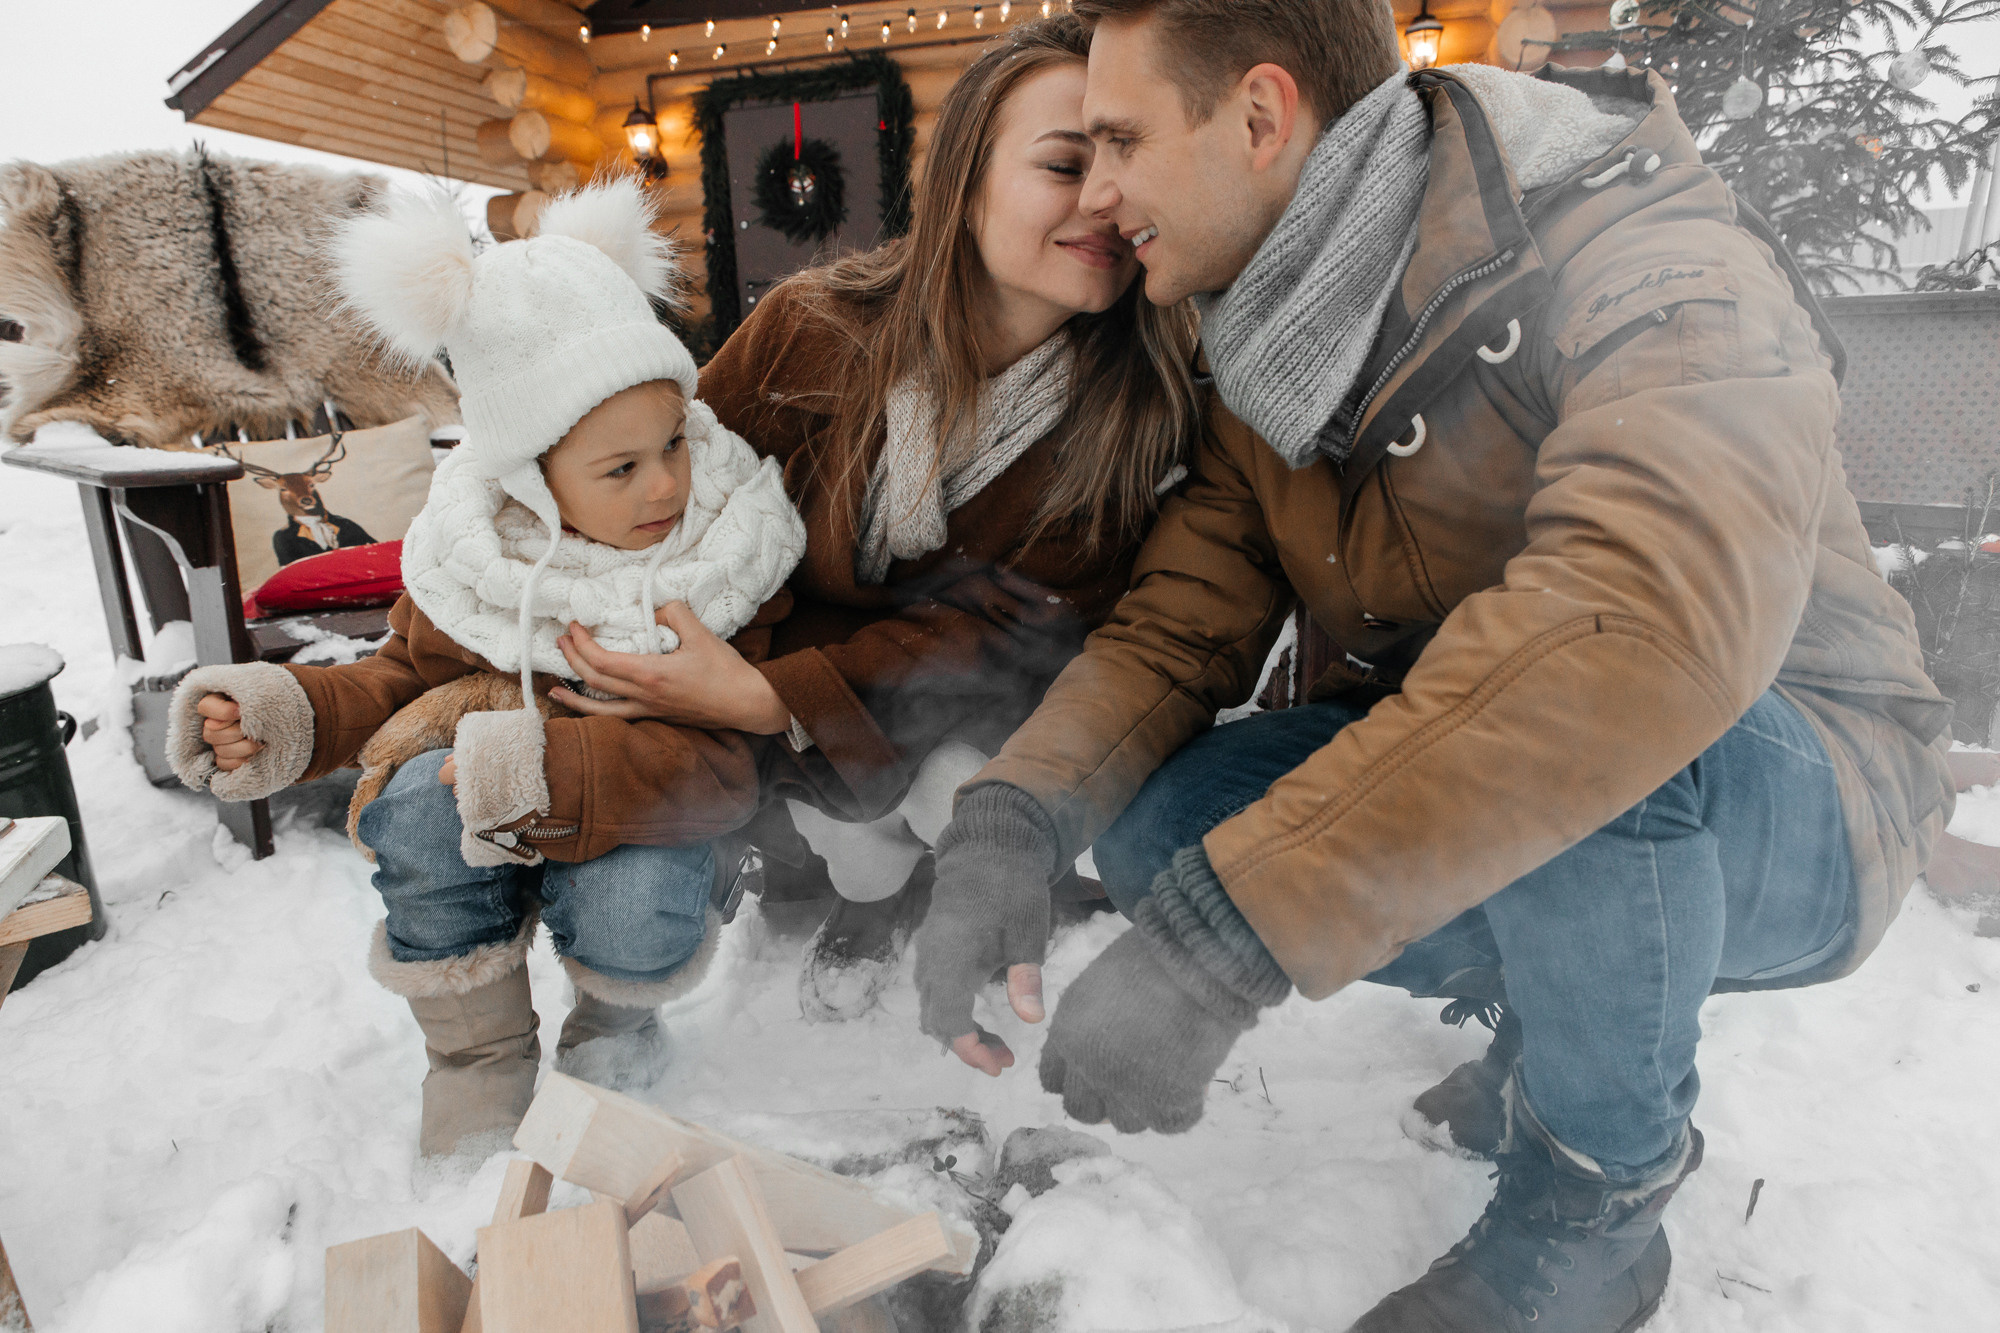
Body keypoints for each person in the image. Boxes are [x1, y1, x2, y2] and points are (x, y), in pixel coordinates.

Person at [912, 3, 1954, 1330]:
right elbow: (1180, 626)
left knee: (1582, 714)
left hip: (1810, 794)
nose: (1102, 195)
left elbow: (1637, 627)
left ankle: (1598, 1199)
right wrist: (1011, 820)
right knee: (1173, 811)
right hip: (1550, 756)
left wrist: (1233, 932)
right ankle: (1565, 1011)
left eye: (1118, 140)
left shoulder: (1646, 251)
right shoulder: (1267, 352)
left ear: (1259, 118)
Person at [545, 15, 1202, 1021]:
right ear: (963, 182)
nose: (1103, 200)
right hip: (762, 679)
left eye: (1124, 164)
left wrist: (784, 699)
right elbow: (667, 504)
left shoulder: (1133, 412)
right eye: (1065, 164)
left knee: (957, 776)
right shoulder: (806, 333)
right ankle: (806, 897)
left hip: (941, 699)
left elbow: (1004, 637)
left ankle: (911, 886)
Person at [163, 179, 807, 1170]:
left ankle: (613, 1026)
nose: (667, 484)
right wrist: (286, 713)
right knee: (420, 802)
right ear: (527, 478)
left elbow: (723, 768)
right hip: (482, 799)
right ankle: (478, 1056)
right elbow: (394, 684)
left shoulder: (718, 556)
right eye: (620, 468)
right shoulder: (475, 564)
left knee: (639, 889)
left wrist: (543, 768)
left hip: (645, 810)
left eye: (673, 443)